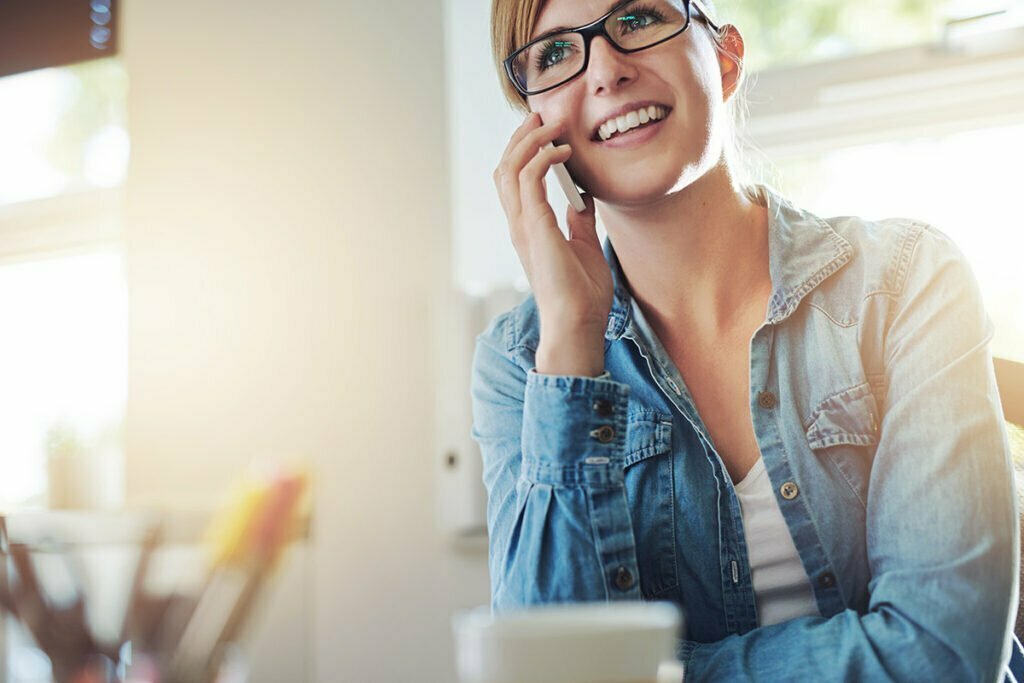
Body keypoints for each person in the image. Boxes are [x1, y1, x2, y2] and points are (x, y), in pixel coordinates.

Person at [470, 0, 1024, 680]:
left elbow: (942, 655)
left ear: (726, 57)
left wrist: (655, 672)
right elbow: (546, 671)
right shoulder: (521, 361)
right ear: (533, 124)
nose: (607, 70)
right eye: (554, 53)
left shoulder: (909, 279)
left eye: (638, 18)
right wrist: (571, 346)